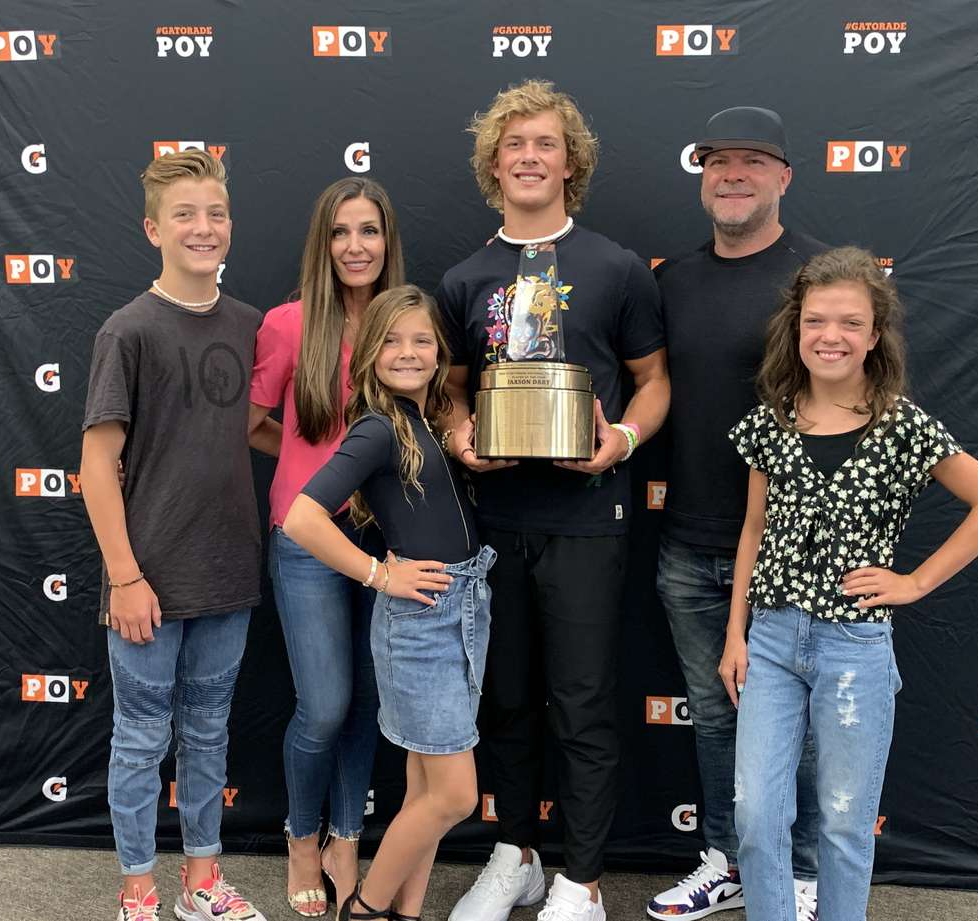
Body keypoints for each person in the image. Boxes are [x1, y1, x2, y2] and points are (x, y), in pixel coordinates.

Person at [720, 247, 978, 921]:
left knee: (846, 823)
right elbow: (752, 529)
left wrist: (915, 581)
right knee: (758, 816)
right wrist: (735, 633)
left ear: (875, 333)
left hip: (853, 645)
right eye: (817, 320)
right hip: (768, 641)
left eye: (850, 322)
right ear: (796, 329)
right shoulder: (773, 419)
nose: (832, 336)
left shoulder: (902, 423)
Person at [438, 80, 669, 921]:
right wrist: (463, 439)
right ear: (492, 164)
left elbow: (653, 382)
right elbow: (453, 389)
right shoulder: (466, 278)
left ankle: (582, 877)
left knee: (579, 700)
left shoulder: (615, 267)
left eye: (545, 144)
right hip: (496, 521)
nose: (529, 157)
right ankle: (515, 856)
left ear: (571, 162)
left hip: (588, 517)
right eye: (514, 145)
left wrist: (624, 443)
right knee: (505, 697)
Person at [648, 106, 828, 921]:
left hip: (794, 551)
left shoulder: (820, 280)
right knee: (715, 715)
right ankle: (726, 858)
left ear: (784, 177)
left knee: (802, 722)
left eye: (753, 161)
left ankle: (804, 868)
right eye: (718, 160)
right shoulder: (672, 281)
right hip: (689, 541)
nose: (733, 174)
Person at [80, 149, 268, 921]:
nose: (203, 227)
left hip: (227, 572)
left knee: (209, 734)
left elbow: (251, 427)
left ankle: (201, 882)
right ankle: (137, 889)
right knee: (138, 741)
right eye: (185, 215)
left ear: (230, 225)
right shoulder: (128, 330)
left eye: (215, 213)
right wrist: (125, 576)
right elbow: (97, 465)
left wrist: (335, 462)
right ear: (154, 228)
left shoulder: (252, 324)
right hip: (147, 582)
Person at [283, 285, 493, 921]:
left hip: (463, 607)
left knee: (425, 790)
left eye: (422, 340)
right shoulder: (378, 428)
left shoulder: (424, 420)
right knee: (455, 796)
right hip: (422, 622)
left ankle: (406, 913)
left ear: (439, 352)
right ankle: (369, 909)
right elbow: (301, 517)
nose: (409, 352)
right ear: (370, 352)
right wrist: (379, 574)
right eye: (393, 341)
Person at [248, 177, 404, 916]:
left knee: (370, 700)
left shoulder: (405, 322)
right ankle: (301, 837)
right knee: (325, 702)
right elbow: (251, 424)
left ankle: (348, 835)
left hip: (388, 537)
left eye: (368, 230)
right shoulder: (286, 325)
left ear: (386, 241)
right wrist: (310, 467)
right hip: (305, 537)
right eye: (340, 232)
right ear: (323, 243)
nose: (354, 246)